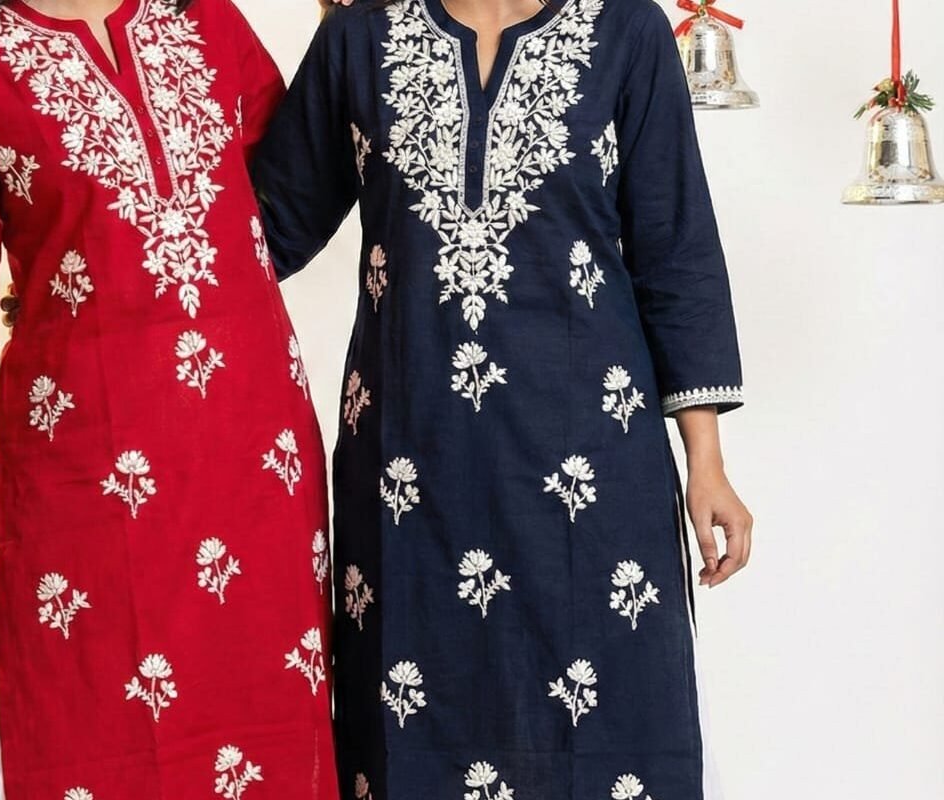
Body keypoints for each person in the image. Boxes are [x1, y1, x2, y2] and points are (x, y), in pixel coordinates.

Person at [251, 0, 753, 797]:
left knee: (609, 729)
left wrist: (707, 461)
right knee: (412, 736)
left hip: (590, 467)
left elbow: (674, 244)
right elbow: (262, 229)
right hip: (410, 473)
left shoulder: (626, 31)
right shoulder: (360, 37)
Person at [0, 1, 339, 797]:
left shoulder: (205, 19)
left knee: (259, 716)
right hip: (84, 462)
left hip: (249, 453)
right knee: (73, 714)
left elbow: (292, 197)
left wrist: (347, 31)